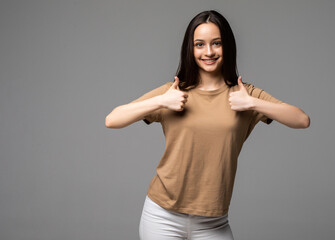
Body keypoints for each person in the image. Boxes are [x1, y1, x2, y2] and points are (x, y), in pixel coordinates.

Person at [105, 10, 310, 240]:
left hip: (214, 223)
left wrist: (252, 103)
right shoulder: (173, 92)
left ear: (227, 47)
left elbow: (301, 120)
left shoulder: (245, 94)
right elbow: (112, 119)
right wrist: (161, 100)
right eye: (199, 44)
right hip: (162, 217)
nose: (209, 52)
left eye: (217, 43)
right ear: (190, 49)